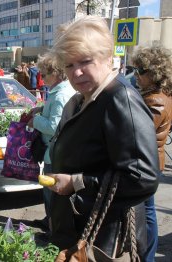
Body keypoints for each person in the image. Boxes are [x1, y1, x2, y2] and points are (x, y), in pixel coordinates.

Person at [47, 16, 159, 258]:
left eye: (85, 61)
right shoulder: (85, 98)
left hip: (102, 239)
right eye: (68, 65)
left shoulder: (120, 99)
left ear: (109, 58)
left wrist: (76, 182)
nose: (76, 72)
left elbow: (143, 178)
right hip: (82, 229)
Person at [131, 45, 172, 262]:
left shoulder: (155, 99)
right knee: (146, 212)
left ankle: (147, 258)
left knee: (146, 215)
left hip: (147, 164)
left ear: (155, 73)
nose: (136, 75)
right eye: (135, 70)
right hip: (149, 163)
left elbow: (138, 132)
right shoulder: (156, 95)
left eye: (141, 71)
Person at [26, 53, 75, 232]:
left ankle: (53, 231)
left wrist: (35, 120)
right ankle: (50, 222)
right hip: (56, 150)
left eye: (44, 74)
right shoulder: (59, 91)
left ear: (55, 73)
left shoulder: (61, 94)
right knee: (51, 192)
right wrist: (42, 108)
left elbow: (55, 126)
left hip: (54, 152)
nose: (41, 77)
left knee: (51, 193)